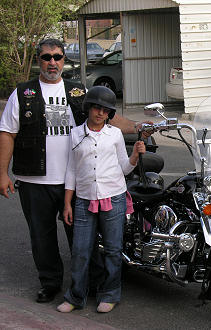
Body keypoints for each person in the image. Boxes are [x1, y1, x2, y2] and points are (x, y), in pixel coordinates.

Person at [0, 38, 149, 303]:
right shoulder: (22, 94)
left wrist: (138, 127)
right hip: (34, 180)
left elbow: (109, 116)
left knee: (84, 240)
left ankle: (90, 284)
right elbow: (8, 134)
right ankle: (50, 282)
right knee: (41, 237)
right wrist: (2, 173)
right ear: (38, 60)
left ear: (63, 60)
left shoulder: (78, 92)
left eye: (57, 57)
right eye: (46, 57)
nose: (52, 62)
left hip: (77, 181)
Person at [57, 86, 145, 313]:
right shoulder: (75, 134)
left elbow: (124, 169)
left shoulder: (115, 135)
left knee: (113, 250)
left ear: (109, 114)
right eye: (97, 108)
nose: (100, 113)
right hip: (84, 200)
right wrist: (67, 203)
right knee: (80, 250)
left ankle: (110, 294)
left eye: (106, 111)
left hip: (113, 198)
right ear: (88, 108)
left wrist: (135, 155)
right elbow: (71, 171)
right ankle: (76, 296)